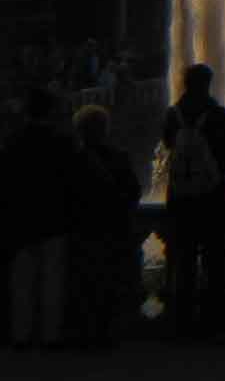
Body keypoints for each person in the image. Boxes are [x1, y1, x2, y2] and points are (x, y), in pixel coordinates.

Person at [159, 62, 225, 338]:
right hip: (214, 199)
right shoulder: (220, 116)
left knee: (182, 260)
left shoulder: (172, 116)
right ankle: (215, 321)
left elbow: (168, 146)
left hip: (181, 199)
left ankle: (181, 322)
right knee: (216, 261)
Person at [2, 88, 76, 350]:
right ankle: (50, 336)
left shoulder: (14, 142)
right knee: (52, 280)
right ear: (51, 111)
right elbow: (71, 183)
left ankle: (21, 335)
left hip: (21, 220)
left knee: (21, 280)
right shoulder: (62, 142)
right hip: (54, 219)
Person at [70, 104, 142, 348]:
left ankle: (85, 332)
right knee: (109, 281)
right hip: (113, 229)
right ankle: (106, 332)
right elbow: (133, 192)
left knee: (85, 282)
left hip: (84, 229)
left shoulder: (74, 160)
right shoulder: (119, 157)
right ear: (105, 129)